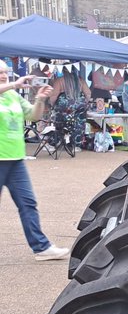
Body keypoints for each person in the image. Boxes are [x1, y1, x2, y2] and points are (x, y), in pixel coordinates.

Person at [0, 61, 69, 260]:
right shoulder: (11, 89)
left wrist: (40, 100)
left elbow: (33, 115)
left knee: (28, 203)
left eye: (5, 72)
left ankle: (41, 247)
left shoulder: (12, 95)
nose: (4, 76)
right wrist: (15, 84)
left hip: (15, 158)